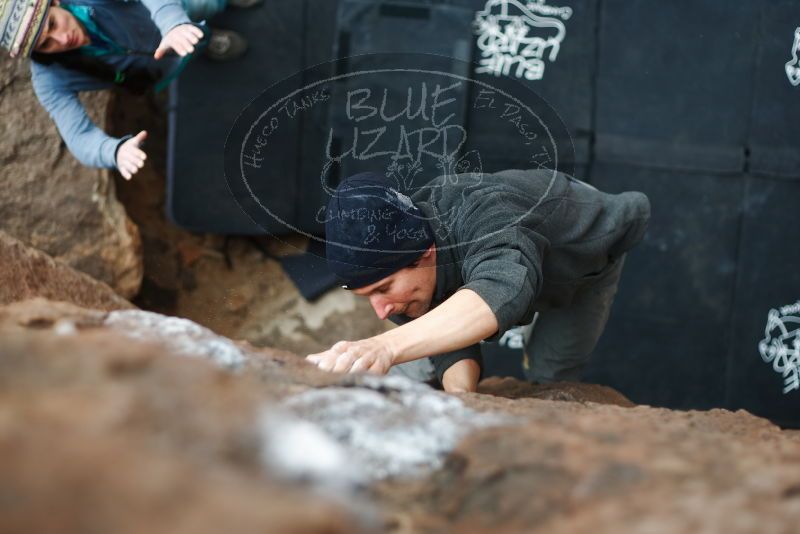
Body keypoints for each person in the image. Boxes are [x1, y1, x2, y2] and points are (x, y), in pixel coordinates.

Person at [306, 169, 651, 393]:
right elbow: (450, 347)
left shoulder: (484, 211)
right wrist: (461, 401)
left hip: (582, 249)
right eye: (368, 295)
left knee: (553, 376)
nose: (381, 310)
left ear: (424, 253)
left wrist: (383, 347)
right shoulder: (403, 271)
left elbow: (503, 288)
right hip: (507, 263)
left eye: (383, 289)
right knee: (422, 367)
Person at [0, 0, 248, 180]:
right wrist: (113, 151)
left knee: (205, 5)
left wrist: (172, 23)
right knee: (189, 47)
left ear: (53, 2)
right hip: (154, 69)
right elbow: (77, 136)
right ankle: (206, 42)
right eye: (46, 44)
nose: (63, 39)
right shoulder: (50, 80)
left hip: (171, 10)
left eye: (53, 23)